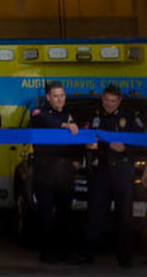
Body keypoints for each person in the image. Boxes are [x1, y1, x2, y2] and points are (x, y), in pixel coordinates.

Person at [78, 84, 144, 267]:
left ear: (120, 100)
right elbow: (83, 138)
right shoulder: (95, 116)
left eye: (113, 101)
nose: (109, 104)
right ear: (102, 98)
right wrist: (87, 145)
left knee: (124, 214)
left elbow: (142, 143)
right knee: (95, 214)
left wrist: (126, 148)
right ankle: (88, 255)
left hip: (122, 171)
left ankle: (125, 258)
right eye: (106, 100)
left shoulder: (131, 118)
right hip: (101, 171)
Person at [29, 80, 80, 263]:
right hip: (46, 172)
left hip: (65, 172)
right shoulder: (39, 112)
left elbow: (77, 140)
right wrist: (65, 126)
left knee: (64, 213)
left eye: (62, 96)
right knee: (46, 213)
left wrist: (76, 160)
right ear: (48, 97)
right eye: (56, 96)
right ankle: (46, 253)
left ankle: (63, 252)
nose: (60, 99)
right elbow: (44, 121)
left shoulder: (69, 115)